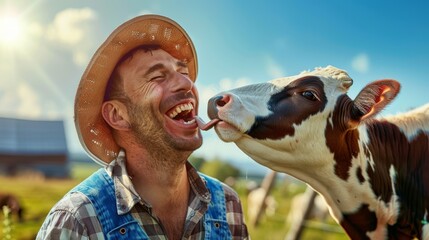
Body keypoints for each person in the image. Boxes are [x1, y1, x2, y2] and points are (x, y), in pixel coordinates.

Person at [37, 14, 249, 239]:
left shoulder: (228, 205)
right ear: (118, 115)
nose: (187, 83)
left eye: (184, 73)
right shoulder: (76, 221)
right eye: (157, 77)